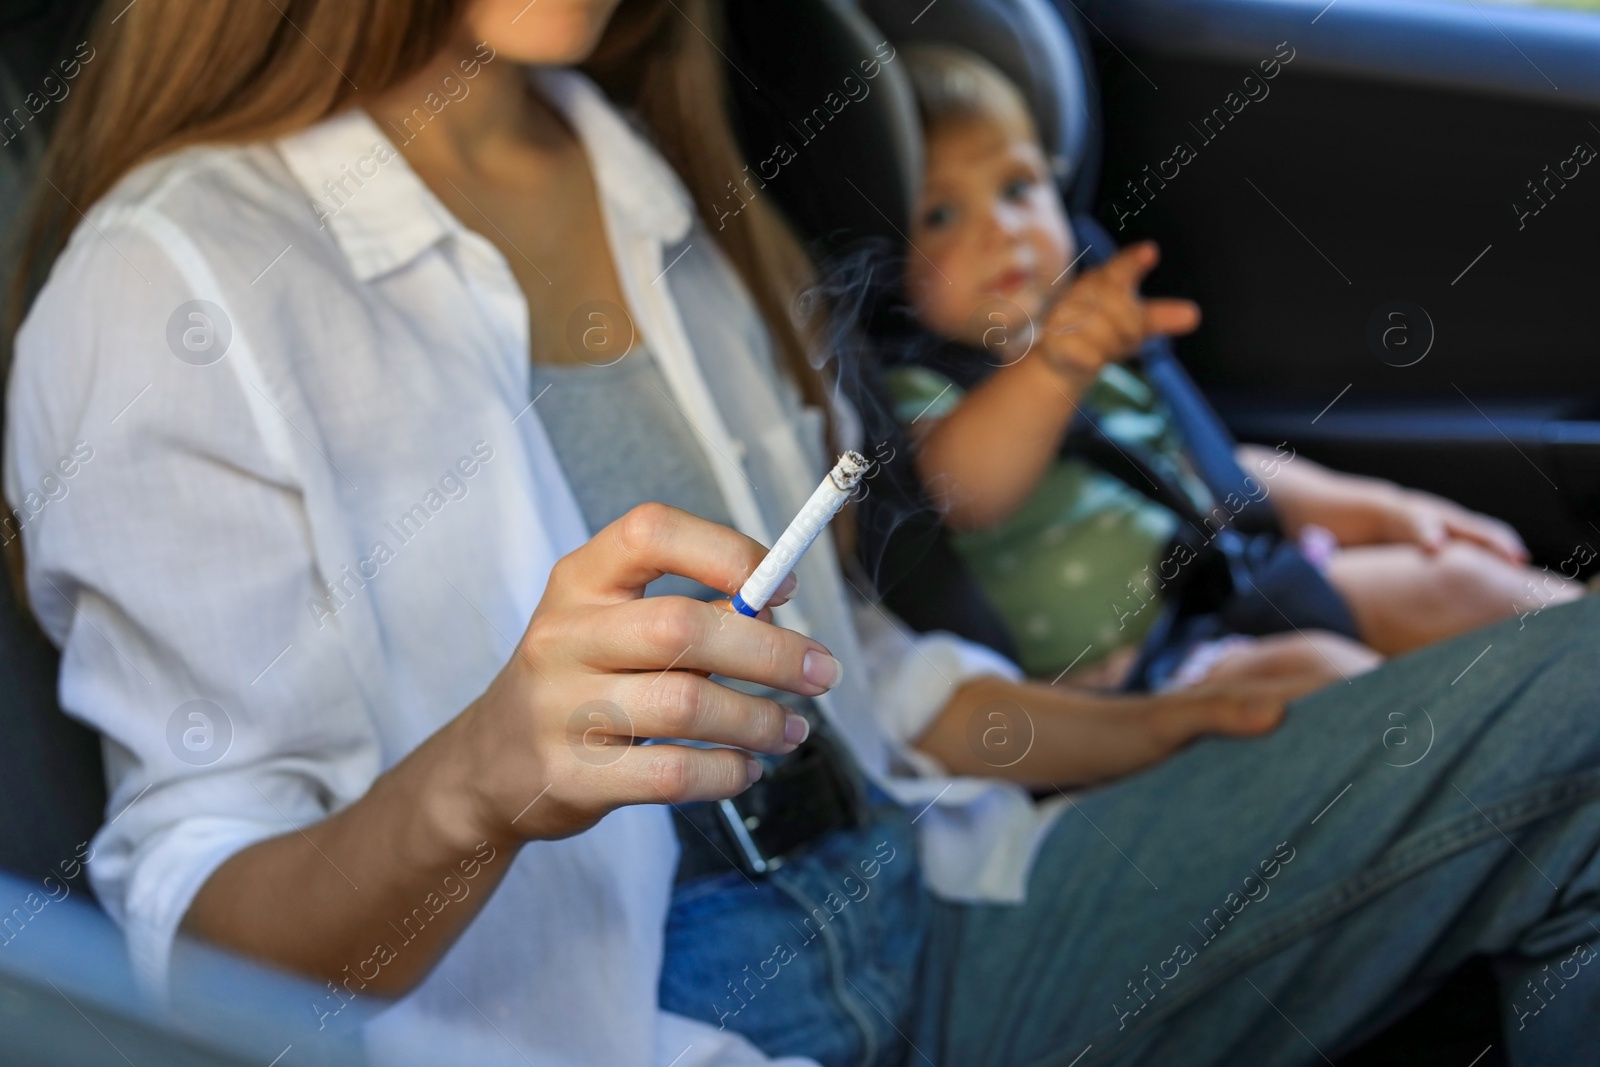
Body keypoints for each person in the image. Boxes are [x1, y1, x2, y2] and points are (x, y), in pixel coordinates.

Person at [4, 3, 1597, 1066]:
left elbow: (867, 675)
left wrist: (1152, 725)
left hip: (947, 894)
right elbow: (201, 966)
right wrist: (483, 778)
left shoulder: (648, 171)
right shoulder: (170, 289)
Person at [880, 45, 1583, 688]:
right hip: (1143, 673)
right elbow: (959, 490)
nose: (1000, 228)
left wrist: (1388, 512)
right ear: (885, 257)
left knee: (1463, 583)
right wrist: (1056, 365)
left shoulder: (1095, 339)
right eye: (941, 214)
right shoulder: (915, 391)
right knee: (1323, 674)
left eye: (1017, 188)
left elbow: (1222, 473)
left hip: (1243, 581)